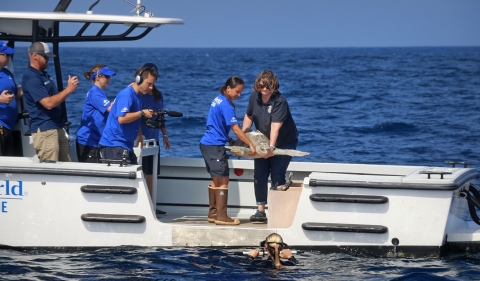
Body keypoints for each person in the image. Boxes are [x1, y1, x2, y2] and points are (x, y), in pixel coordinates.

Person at [242, 70, 298, 223]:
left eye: (268, 87)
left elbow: (275, 127)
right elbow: (249, 115)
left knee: (277, 175)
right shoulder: (254, 96)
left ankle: (277, 210)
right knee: (259, 175)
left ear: (274, 87)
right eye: (262, 87)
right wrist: (242, 134)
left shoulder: (280, 101)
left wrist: (271, 148)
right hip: (263, 140)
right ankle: (260, 211)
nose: (265, 90)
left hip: (284, 141)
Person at [200, 76, 256, 225]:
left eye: (241, 92)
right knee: (224, 180)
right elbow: (236, 129)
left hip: (207, 144)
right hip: (214, 146)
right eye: (237, 92)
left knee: (216, 179)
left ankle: (213, 213)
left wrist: (229, 140)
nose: (239, 95)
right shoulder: (226, 105)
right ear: (228, 88)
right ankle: (222, 216)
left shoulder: (218, 99)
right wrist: (250, 144)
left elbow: (217, 124)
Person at [22, 41, 79, 162]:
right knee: (51, 168)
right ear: (34, 55)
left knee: (67, 167)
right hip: (45, 129)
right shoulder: (31, 77)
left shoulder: (43, 75)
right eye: (45, 56)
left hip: (56, 126)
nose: (48, 59)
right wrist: (68, 90)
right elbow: (48, 103)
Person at [98, 63, 157, 164]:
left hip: (126, 146)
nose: (151, 88)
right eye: (149, 84)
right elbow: (122, 118)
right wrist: (142, 113)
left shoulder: (138, 96)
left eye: (152, 84)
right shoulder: (127, 95)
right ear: (139, 80)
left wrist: (139, 135)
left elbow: (134, 117)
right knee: (120, 179)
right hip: (114, 146)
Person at [138, 84, 170, 215]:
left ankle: (151, 205)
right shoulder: (139, 95)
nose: (150, 87)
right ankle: (142, 206)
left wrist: (165, 135)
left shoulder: (158, 95)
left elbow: (161, 117)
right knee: (142, 172)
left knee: (151, 173)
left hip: (154, 139)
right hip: (141, 140)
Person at [75, 64, 116, 163]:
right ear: (97, 77)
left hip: (95, 140)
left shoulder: (99, 93)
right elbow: (110, 108)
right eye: (106, 76)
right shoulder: (95, 93)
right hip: (88, 141)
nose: (109, 79)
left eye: (109, 77)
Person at [0, 42, 20, 156]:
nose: (9, 57)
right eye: (7, 55)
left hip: (8, 128)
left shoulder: (7, 73)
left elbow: (15, 93)